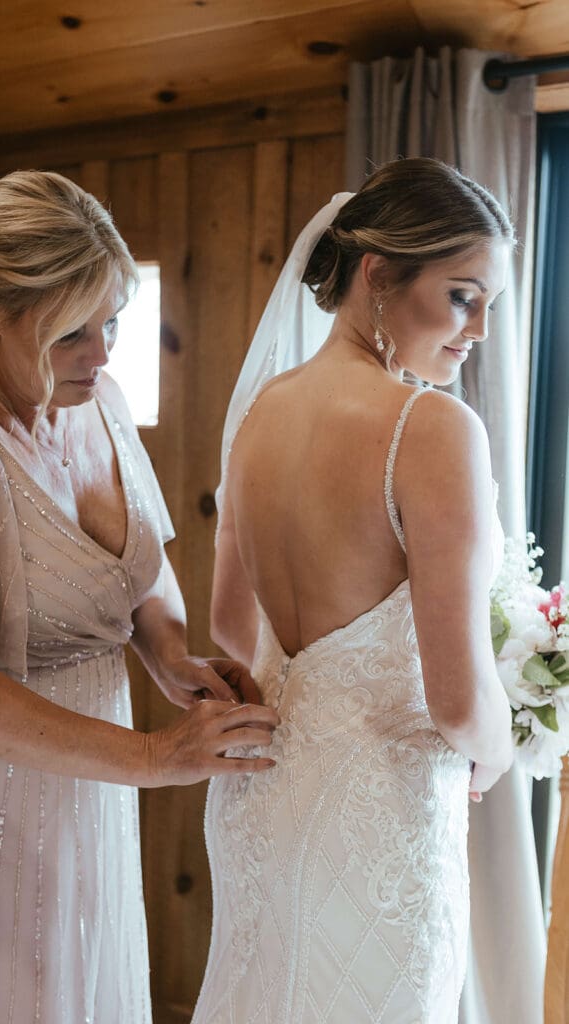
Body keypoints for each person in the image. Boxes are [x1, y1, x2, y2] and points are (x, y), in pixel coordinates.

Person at [0, 170, 279, 1024]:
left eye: (111, 324)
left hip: (85, 792)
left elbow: (140, 562)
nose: (99, 356)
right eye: (71, 333)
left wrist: (170, 654)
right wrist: (151, 758)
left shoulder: (100, 401)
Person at [192, 158, 516, 1024]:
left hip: (261, 792)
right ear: (378, 274)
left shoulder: (262, 410)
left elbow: (230, 624)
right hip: (380, 807)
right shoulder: (432, 428)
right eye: (461, 295)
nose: (479, 327)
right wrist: (501, 742)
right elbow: (455, 702)